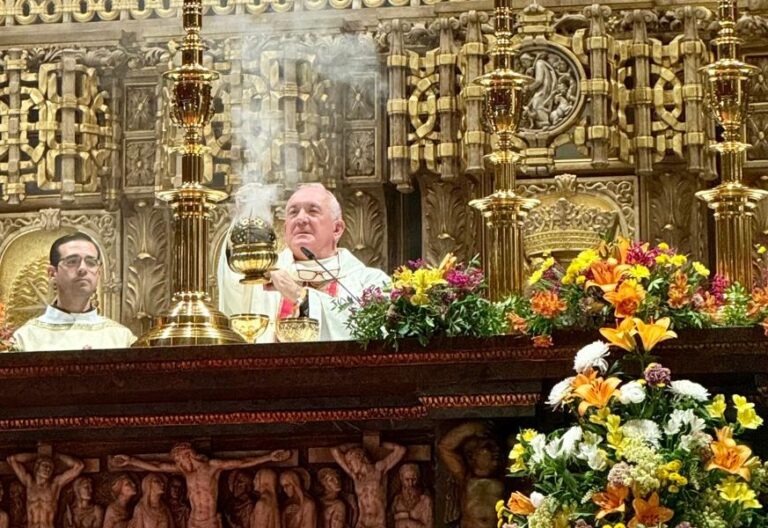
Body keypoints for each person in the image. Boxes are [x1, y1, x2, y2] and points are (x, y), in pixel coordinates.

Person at [218, 183, 389, 342]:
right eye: (293, 212)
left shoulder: (369, 283)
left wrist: (300, 295)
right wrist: (243, 220)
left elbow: (374, 333)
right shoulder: (264, 278)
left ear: (337, 229)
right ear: (285, 230)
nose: (301, 219)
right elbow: (233, 293)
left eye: (312, 211)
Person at [111, 443, 291, 528]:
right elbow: (159, 466)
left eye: (180, 460)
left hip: (210, 521)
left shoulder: (212, 467)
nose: (180, 465)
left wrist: (269, 457)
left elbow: (241, 462)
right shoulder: (186, 473)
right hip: (193, 522)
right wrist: (131, 461)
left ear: (188, 455)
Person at [12, 232, 136, 351]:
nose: (82, 268)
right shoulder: (25, 339)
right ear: (52, 273)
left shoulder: (122, 339)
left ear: (98, 274)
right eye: (72, 262)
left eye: (91, 262)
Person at [437, 422, 503, 528]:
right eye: (489, 450)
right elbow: (444, 447)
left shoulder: (502, 478)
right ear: (475, 456)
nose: (495, 454)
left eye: (496, 452)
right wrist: (472, 428)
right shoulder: (466, 477)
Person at [330, 442, 405, 528]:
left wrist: (380, 442)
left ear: (359, 458)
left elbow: (401, 450)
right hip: (362, 522)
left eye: (350, 463)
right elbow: (334, 451)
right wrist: (355, 443)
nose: (350, 466)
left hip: (378, 522)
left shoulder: (378, 469)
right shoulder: (356, 478)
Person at [6, 452, 85, 528]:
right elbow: (12, 459)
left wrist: (58, 455)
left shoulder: (55, 485)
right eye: (45, 465)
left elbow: (79, 466)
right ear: (37, 467)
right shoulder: (29, 483)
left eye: (50, 468)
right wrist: (37, 455)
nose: (48, 469)